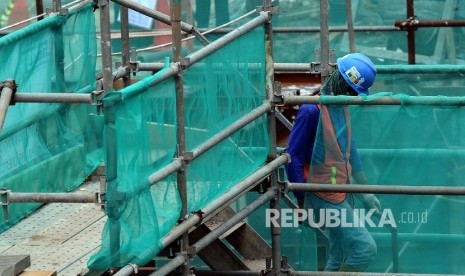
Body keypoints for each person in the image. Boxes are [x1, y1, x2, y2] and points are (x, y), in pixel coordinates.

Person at [285, 52, 381, 272]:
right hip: (321, 194)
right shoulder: (311, 111)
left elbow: (351, 152)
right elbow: (293, 158)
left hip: (339, 193)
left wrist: (365, 192)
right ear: (341, 82)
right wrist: (301, 201)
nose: (353, 97)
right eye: (351, 91)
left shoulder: (341, 107)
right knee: (365, 249)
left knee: (337, 255)